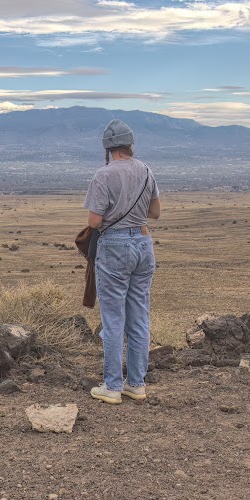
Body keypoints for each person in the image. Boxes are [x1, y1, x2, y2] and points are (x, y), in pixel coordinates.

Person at [83, 119, 161, 405]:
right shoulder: (146, 170)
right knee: (139, 316)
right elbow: (155, 212)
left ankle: (113, 386)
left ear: (108, 148)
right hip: (144, 242)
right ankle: (137, 384)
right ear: (130, 144)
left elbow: (94, 221)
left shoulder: (103, 175)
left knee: (113, 319)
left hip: (115, 246)